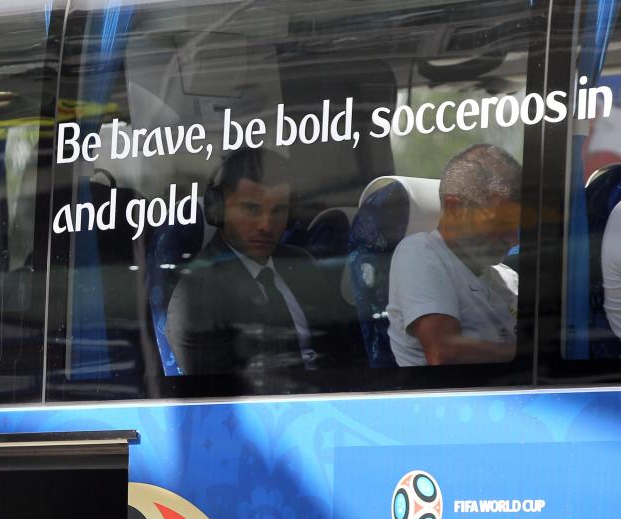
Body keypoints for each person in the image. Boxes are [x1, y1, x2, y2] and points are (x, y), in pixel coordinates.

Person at [165, 148, 356, 384]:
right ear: (219, 210)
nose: (266, 225)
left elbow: (346, 355)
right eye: (251, 209)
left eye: (278, 211)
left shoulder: (301, 263)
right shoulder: (196, 294)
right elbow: (218, 402)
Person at [386, 144, 522, 367]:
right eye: (500, 223)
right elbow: (444, 354)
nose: (513, 239)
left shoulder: (506, 278)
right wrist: (532, 354)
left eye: (517, 226)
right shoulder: (420, 253)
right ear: (455, 209)